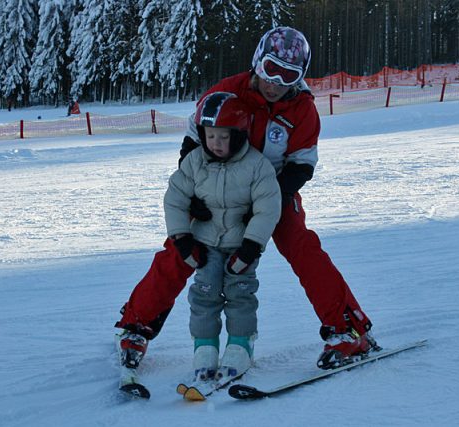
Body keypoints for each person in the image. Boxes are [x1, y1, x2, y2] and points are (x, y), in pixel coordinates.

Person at [116, 26, 379, 372]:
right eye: (271, 70)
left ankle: (348, 330)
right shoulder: (227, 91)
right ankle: (136, 325)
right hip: (217, 185)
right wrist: (195, 190)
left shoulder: (301, 110)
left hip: (272, 189)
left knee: (301, 245)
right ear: (257, 63)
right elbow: (193, 143)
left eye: (288, 76)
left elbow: (302, 164)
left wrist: (267, 202)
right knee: (181, 248)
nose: (276, 83)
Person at [163, 92, 281, 380]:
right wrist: (182, 238)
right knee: (204, 294)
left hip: (241, 246)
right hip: (205, 244)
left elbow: (268, 207)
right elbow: (175, 198)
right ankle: (205, 346)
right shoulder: (194, 162)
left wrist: (252, 246)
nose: (216, 144)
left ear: (239, 135)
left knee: (240, 293)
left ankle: (241, 345)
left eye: (223, 137)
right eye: (210, 136)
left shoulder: (256, 166)